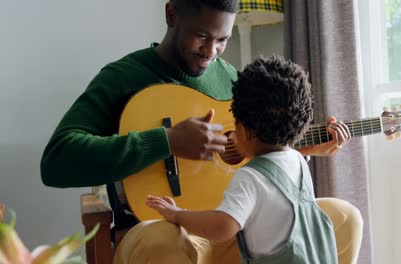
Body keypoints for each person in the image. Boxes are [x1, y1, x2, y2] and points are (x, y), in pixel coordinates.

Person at [40, 0, 360, 263]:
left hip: (236, 227)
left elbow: (249, 154)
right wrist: (166, 141)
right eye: (202, 36)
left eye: (223, 40)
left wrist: (296, 149)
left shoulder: (234, 80)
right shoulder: (122, 78)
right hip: (157, 227)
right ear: (171, 14)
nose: (212, 51)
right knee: (163, 242)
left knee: (343, 218)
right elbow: (56, 161)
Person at [145, 55, 353, 263]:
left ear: (243, 130)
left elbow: (223, 226)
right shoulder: (298, 161)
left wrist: (177, 214)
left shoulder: (250, 177)